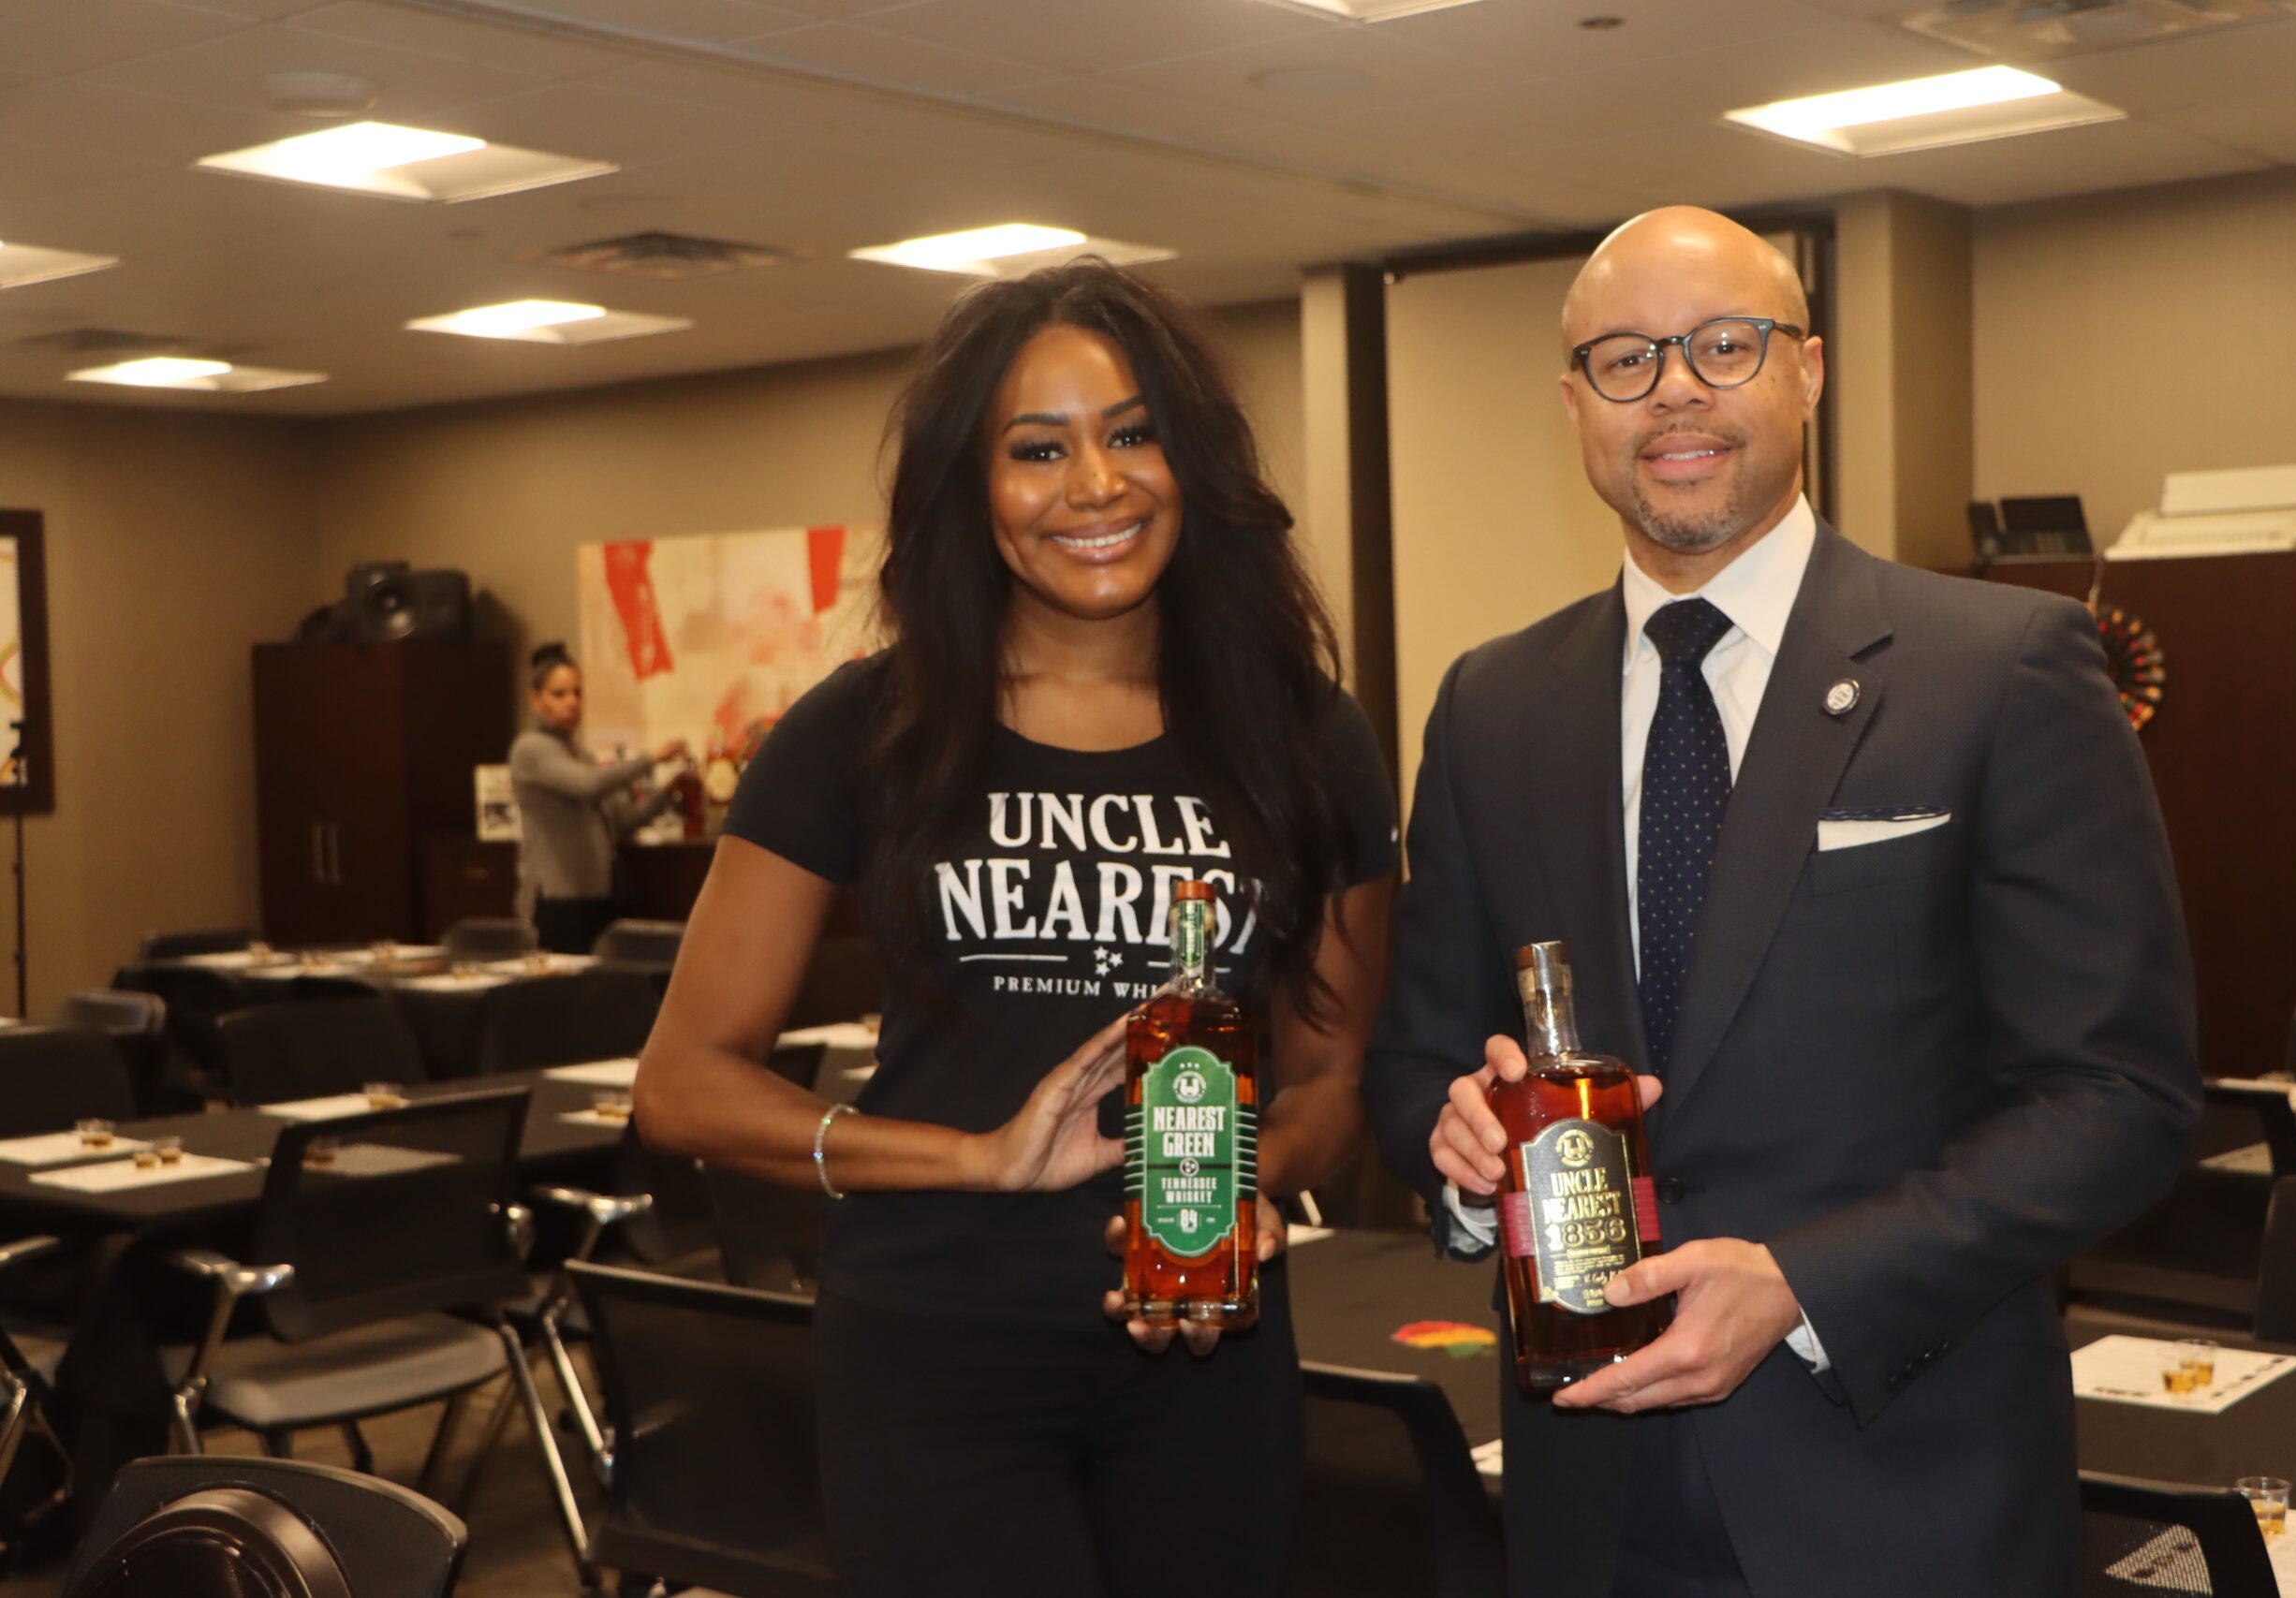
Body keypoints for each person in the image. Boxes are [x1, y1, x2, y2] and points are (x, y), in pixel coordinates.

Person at [1362, 207, 2200, 1598]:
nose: (1676, 387)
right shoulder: (1491, 702)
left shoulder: (2000, 666)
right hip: (1585, 1497)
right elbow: (1412, 1060)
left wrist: (1810, 1282)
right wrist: (1454, 1140)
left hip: (1901, 1488)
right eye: (1626, 357)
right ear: (1574, 405)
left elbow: (2119, 1093)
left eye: (1723, 344)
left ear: (1808, 371)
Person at [634, 261, 1397, 1598]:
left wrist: (1239, 1181)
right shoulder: (861, 731)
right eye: (1037, 448)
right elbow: (685, 1079)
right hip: (931, 1348)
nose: (1094, 483)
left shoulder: (1309, 736)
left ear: (1191, 458)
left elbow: (1337, 1072)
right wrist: (976, 1156)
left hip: (1202, 1347)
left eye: (1133, 430)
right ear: (970, 490)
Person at [508, 642, 686, 954]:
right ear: (535, 699)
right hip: (555, 898)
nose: (572, 702)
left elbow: (622, 821)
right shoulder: (530, 749)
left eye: (577, 692)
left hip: (598, 894)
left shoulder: (580, 754)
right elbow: (588, 785)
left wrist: (668, 793)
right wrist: (651, 758)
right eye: (559, 694)